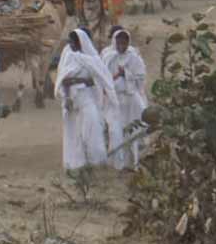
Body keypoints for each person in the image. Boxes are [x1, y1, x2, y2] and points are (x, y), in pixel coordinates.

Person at [54, 29, 116, 170]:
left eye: (74, 42)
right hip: (72, 101)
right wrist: (68, 97)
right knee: (74, 132)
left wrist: (78, 80)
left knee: (92, 128)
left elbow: (99, 79)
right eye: (70, 42)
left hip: (87, 100)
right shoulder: (68, 56)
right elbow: (63, 79)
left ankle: (96, 160)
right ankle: (77, 163)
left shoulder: (93, 59)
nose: (71, 45)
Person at [101, 28, 147, 170]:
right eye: (119, 41)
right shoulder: (108, 58)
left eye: (124, 41)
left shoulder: (134, 58)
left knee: (131, 131)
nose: (122, 44)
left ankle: (132, 163)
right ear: (115, 41)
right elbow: (103, 78)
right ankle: (118, 164)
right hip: (115, 101)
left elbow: (141, 78)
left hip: (130, 100)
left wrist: (125, 74)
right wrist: (116, 77)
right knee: (115, 131)